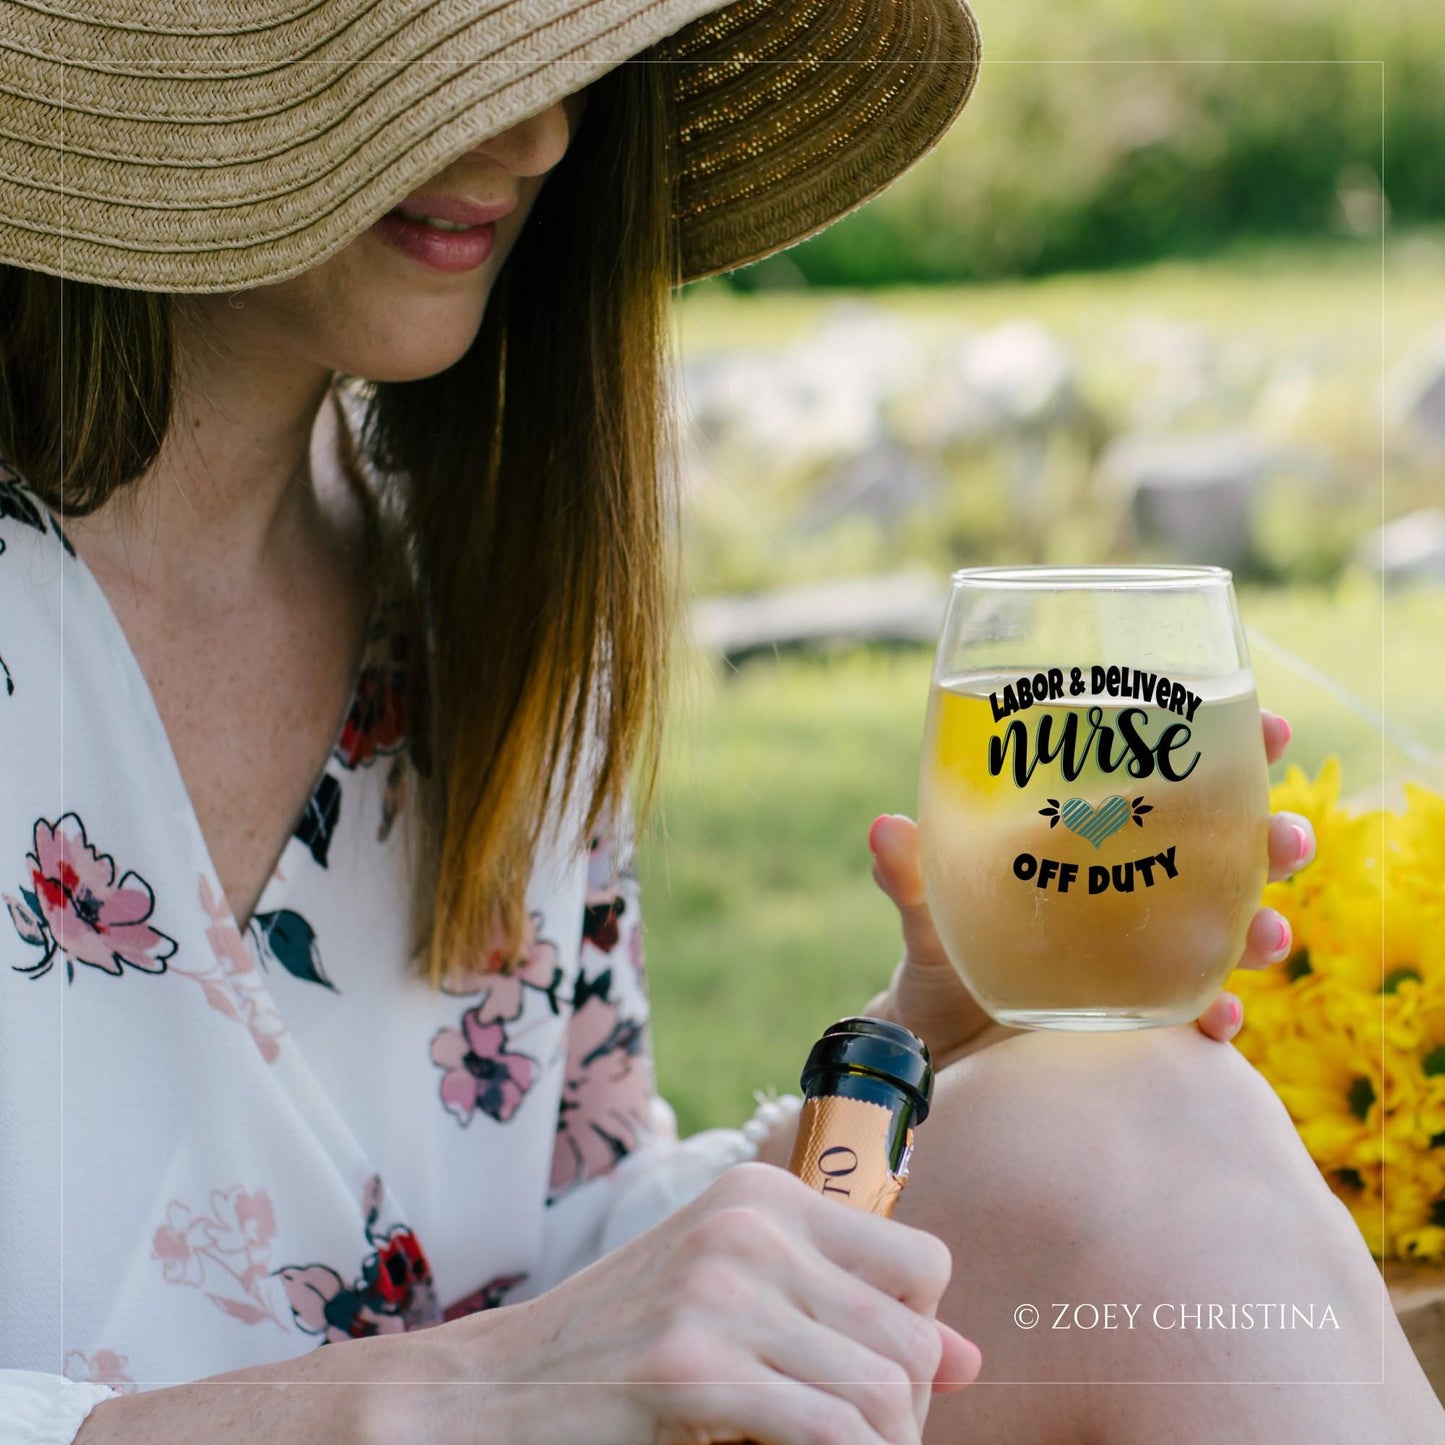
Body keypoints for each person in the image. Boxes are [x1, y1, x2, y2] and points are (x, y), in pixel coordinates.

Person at [0, 2, 1438, 1442]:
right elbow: (517, 1365)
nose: (536, 130)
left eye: (558, 56)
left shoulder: (475, 604)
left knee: (1129, 1111)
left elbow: (565, 1262)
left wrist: (911, 1053)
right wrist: (456, 1389)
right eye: (435, 52)